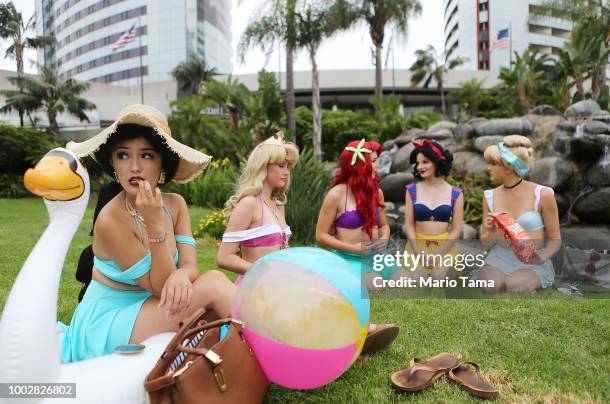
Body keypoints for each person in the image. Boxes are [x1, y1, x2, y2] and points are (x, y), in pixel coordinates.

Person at [60, 104, 236, 363]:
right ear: (112, 163)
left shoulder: (175, 204)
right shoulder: (110, 220)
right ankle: (276, 342)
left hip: (150, 305)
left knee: (212, 294)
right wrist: (155, 226)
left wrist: (181, 274)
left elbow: (190, 267)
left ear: (162, 162)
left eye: (146, 156)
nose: (134, 167)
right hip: (109, 320)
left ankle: (267, 343)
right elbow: (161, 287)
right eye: (123, 155)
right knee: (213, 286)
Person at [315, 138, 399, 354]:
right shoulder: (336, 195)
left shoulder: (376, 192)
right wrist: (354, 249)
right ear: (360, 165)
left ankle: (366, 329)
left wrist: (384, 239)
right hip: (347, 257)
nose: (379, 166)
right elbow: (321, 236)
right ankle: (361, 331)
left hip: (373, 256)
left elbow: (384, 225)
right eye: (374, 161)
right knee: (373, 284)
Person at [479, 135, 561, 293]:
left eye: (493, 163)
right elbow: (485, 243)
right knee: (492, 286)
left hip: (532, 260)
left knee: (515, 285)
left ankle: (530, 282)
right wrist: (488, 230)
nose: (489, 168)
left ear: (508, 166)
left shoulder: (542, 194)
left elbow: (555, 238)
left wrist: (542, 257)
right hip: (499, 258)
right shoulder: (489, 196)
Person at [216, 132, 299, 282]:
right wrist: (263, 272)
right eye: (281, 166)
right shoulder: (250, 204)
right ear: (263, 167)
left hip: (279, 287)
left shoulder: (279, 206)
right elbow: (224, 257)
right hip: (253, 290)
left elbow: (283, 251)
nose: (286, 172)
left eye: (288, 167)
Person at [393, 139, 464, 281]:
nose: (419, 166)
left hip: (444, 248)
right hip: (416, 247)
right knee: (420, 284)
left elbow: (456, 230)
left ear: (437, 162)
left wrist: (439, 254)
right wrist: (419, 253)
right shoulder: (411, 190)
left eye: (425, 162)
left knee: (441, 280)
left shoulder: (455, 193)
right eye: (418, 163)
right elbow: (409, 225)